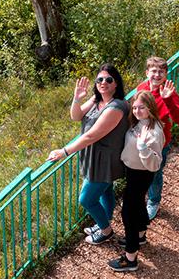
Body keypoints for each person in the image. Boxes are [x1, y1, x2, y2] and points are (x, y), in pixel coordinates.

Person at [48, 63, 128, 245]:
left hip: (105, 160)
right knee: (105, 192)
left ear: (116, 84)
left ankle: (106, 232)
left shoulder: (116, 107)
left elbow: (92, 135)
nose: (103, 83)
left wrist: (64, 151)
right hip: (94, 157)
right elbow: (76, 116)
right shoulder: (96, 100)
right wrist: (76, 99)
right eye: (100, 79)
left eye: (109, 79)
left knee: (87, 199)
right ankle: (103, 223)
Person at [108, 90, 165, 272]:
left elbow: (155, 163)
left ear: (150, 107)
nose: (137, 110)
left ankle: (130, 257)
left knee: (128, 213)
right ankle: (140, 235)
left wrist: (143, 149)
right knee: (138, 204)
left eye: (141, 107)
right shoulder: (139, 123)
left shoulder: (153, 132)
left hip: (141, 173)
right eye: (134, 107)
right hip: (133, 172)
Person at [136, 56, 179, 220]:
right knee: (140, 170)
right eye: (154, 71)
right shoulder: (141, 88)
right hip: (141, 140)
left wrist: (167, 99)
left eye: (161, 72)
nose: (157, 75)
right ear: (147, 72)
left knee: (154, 173)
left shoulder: (169, 92)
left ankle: (154, 201)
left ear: (166, 74)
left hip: (159, 143)